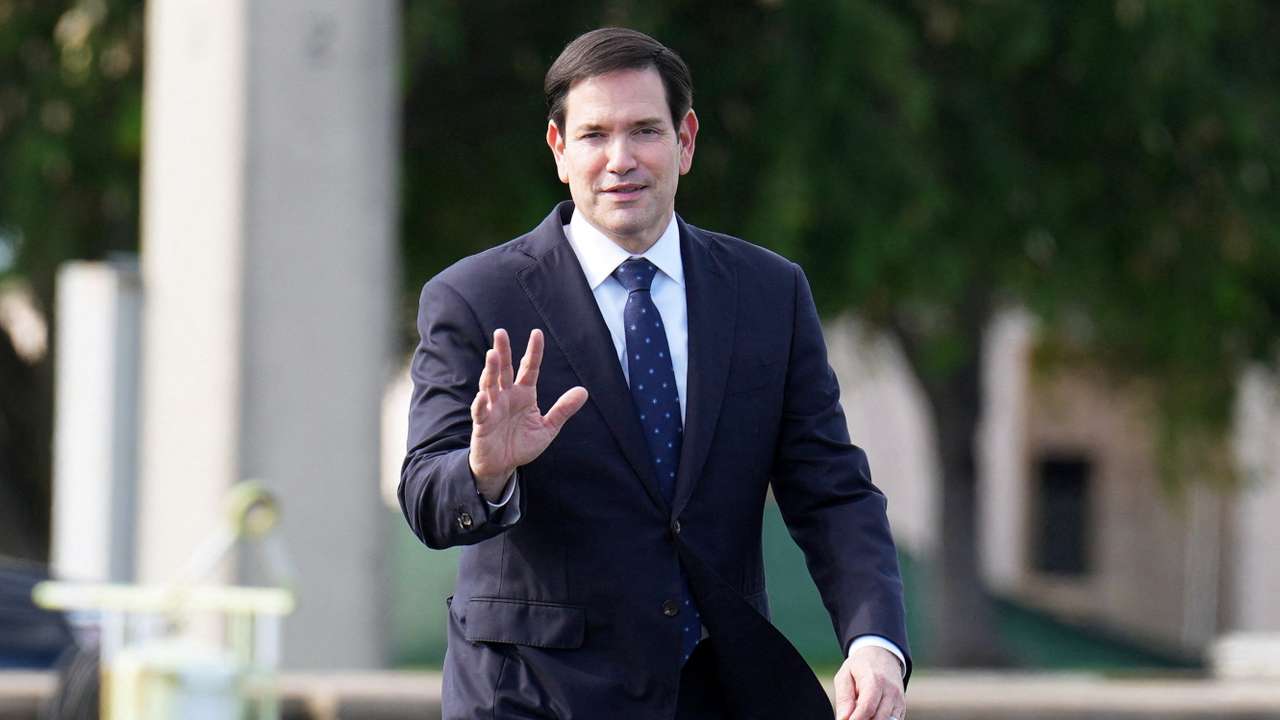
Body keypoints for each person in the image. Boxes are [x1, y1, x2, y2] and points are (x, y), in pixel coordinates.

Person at [400, 27, 909, 720]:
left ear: (686, 140)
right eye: (593, 135)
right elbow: (428, 495)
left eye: (644, 130)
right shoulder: (475, 298)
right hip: (532, 695)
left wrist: (873, 639)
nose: (620, 160)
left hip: (716, 687)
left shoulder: (768, 295)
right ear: (559, 151)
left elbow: (832, 492)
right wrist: (486, 470)